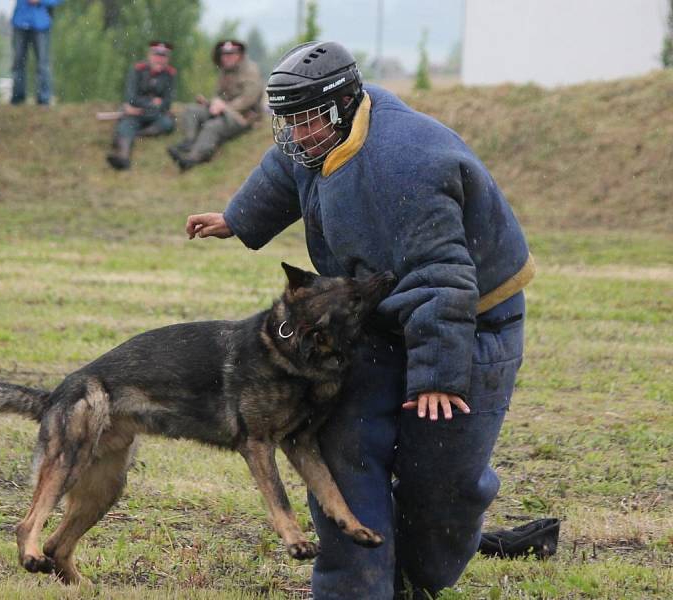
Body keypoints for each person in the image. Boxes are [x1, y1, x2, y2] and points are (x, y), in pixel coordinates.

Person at [185, 41, 534, 599]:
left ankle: (418, 579)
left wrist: (438, 375)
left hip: (469, 321)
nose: (297, 135)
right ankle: (355, 587)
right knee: (344, 450)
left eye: (307, 122)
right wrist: (237, 218)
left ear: (347, 103)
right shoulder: (316, 137)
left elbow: (442, 276)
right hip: (374, 318)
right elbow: (284, 171)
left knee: (441, 482)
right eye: (288, 122)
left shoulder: (409, 164)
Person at [167, 39, 264, 171]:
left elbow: (249, 99)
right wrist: (211, 103)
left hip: (244, 116)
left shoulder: (250, 70)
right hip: (224, 111)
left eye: (231, 53)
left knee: (212, 127)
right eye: (224, 54)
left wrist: (225, 107)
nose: (227, 57)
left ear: (240, 55)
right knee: (191, 111)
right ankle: (189, 141)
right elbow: (220, 95)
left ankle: (193, 158)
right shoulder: (225, 70)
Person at [106, 41, 178, 171]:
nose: (159, 59)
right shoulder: (138, 70)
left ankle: (138, 134)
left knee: (167, 124)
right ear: (150, 56)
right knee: (126, 124)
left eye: (163, 56)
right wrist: (152, 102)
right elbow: (131, 98)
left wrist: (148, 105)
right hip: (135, 113)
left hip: (154, 114)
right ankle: (123, 158)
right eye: (157, 55)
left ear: (167, 59)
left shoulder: (170, 74)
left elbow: (167, 102)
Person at [10, 0, 62, 106]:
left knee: (43, 64)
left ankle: (43, 99)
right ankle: (17, 98)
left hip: (41, 24)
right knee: (18, 62)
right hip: (20, 22)